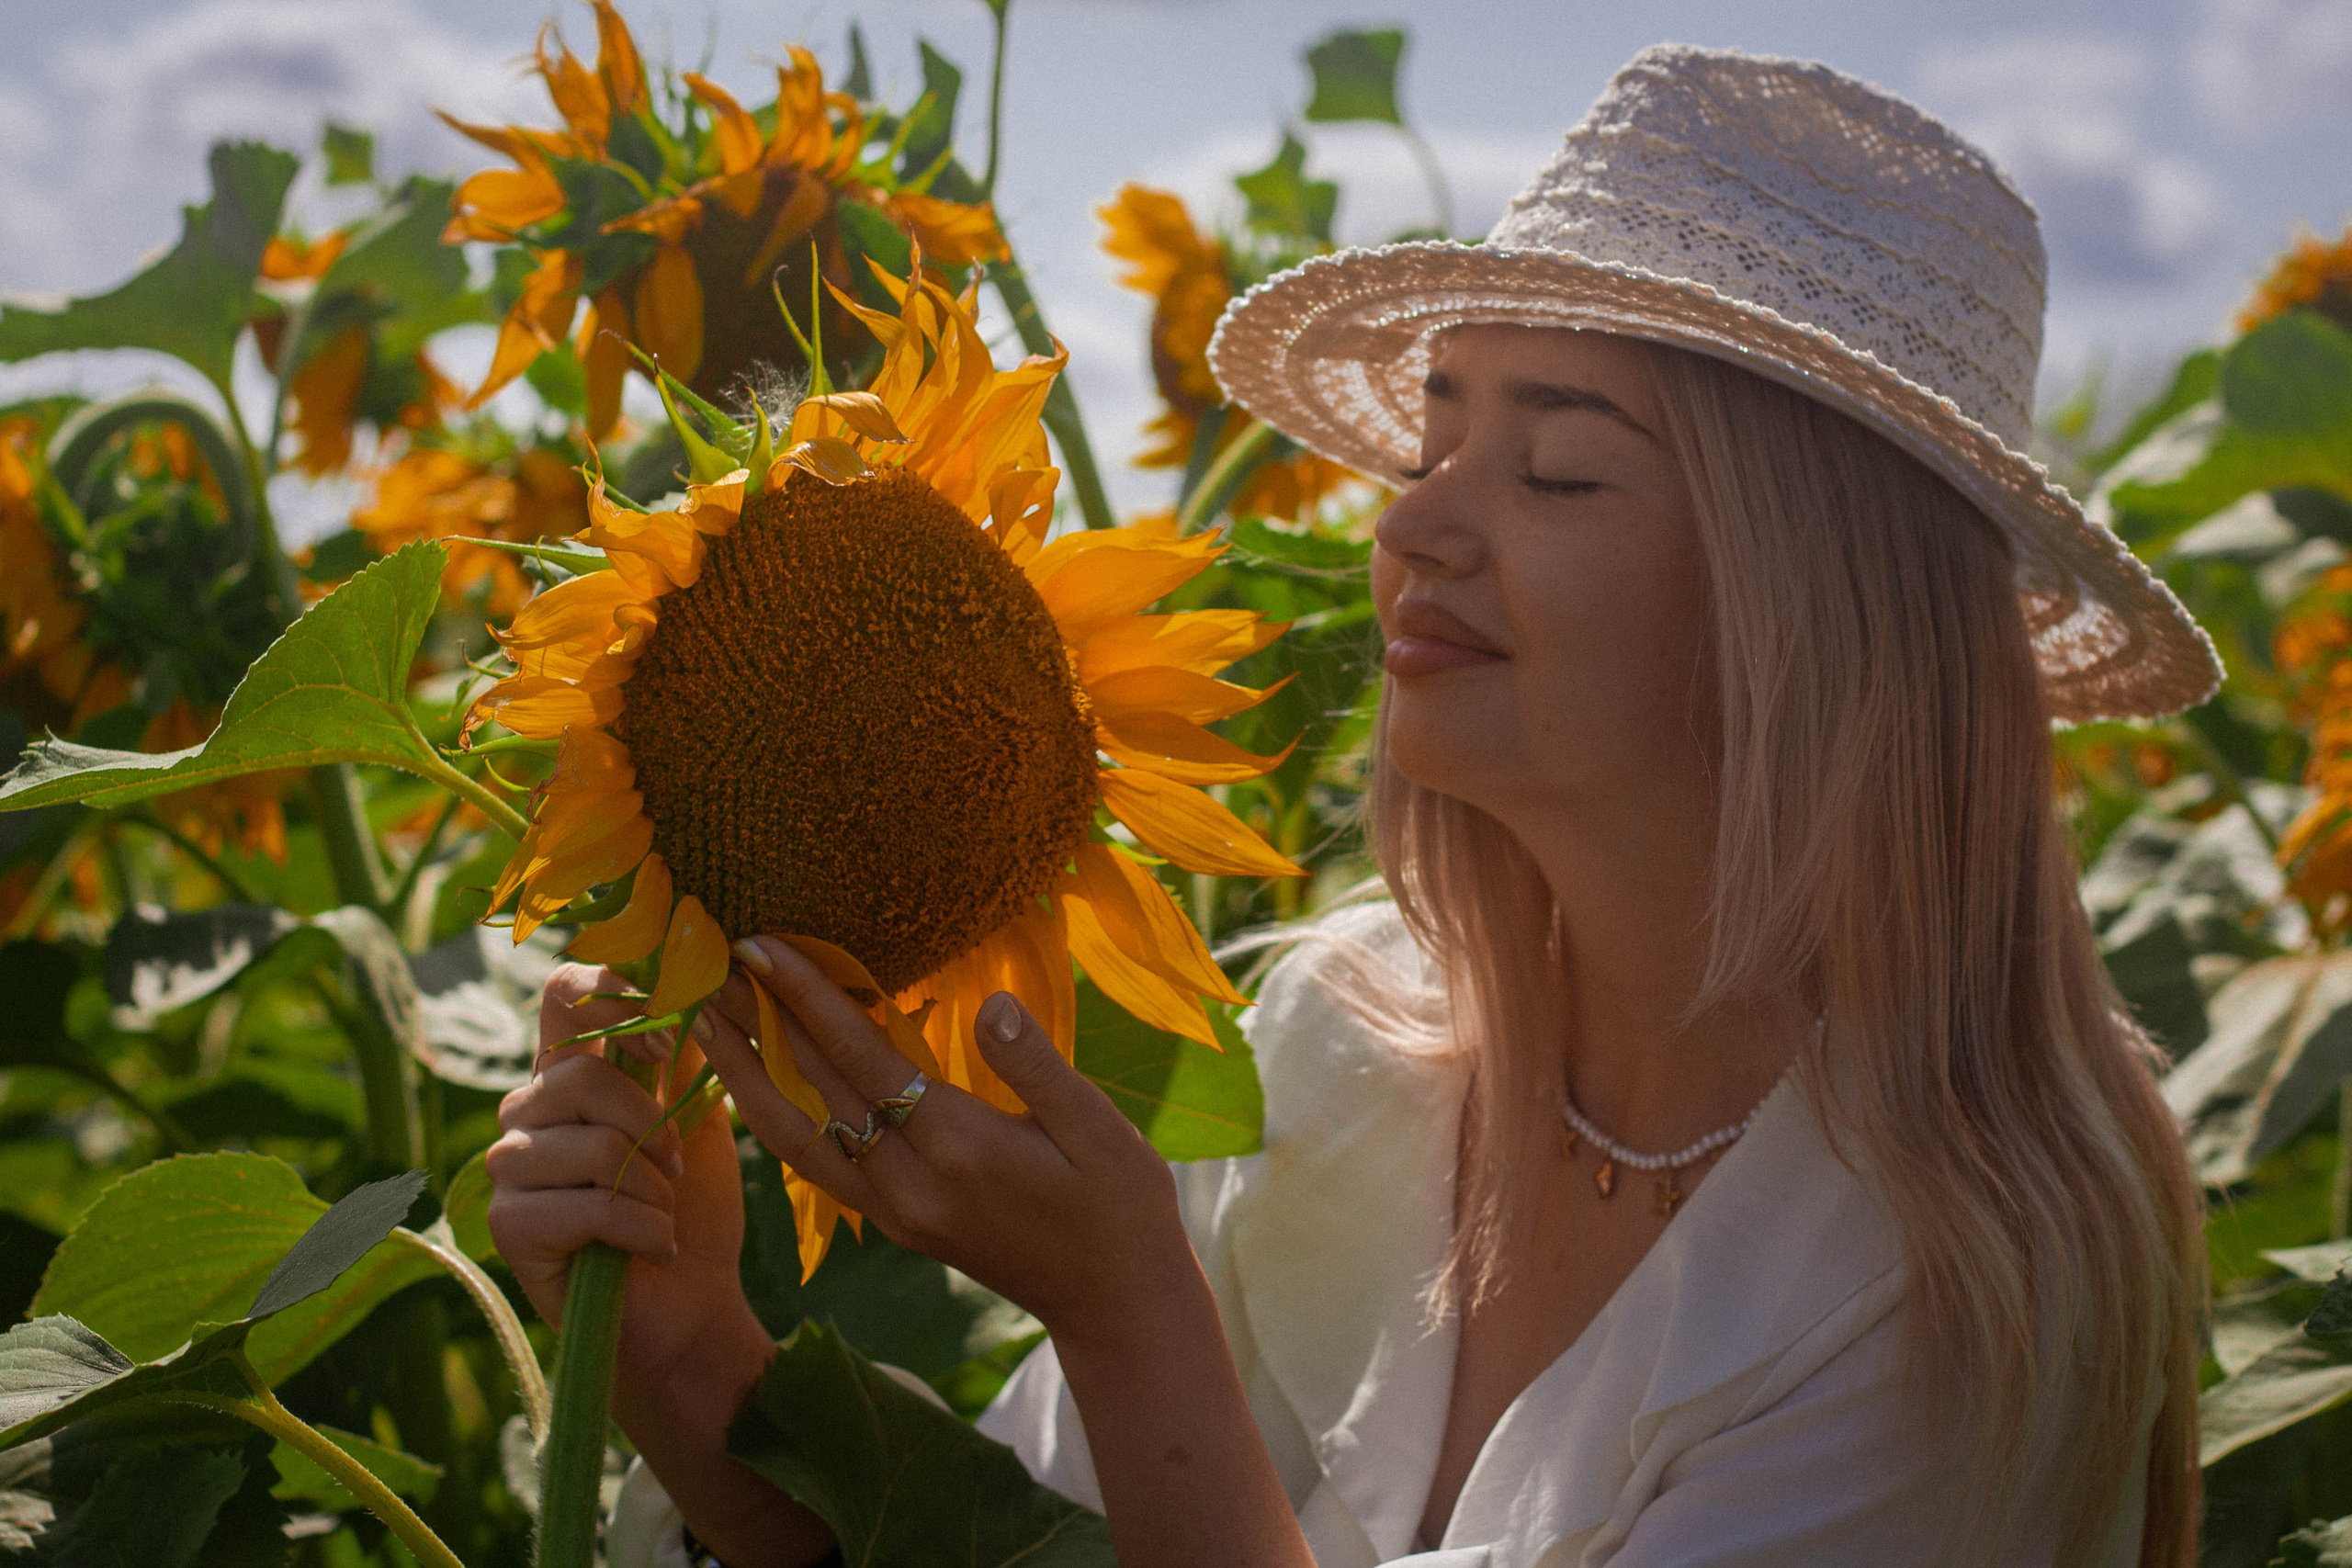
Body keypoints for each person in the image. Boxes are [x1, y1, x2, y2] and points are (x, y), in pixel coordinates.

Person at [487, 42, 2217, 1568]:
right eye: (1427, 447)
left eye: (1557, 468)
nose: (1410, 530)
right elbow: (1011, 1547)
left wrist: (1128, 1315)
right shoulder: (1342, 1039)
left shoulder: (1968, 1277)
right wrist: (690, 1357)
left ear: (1807, 609)